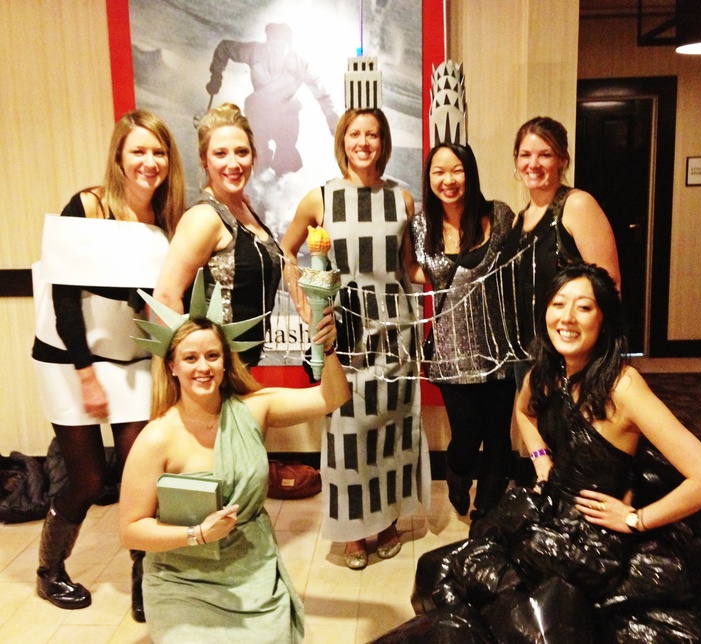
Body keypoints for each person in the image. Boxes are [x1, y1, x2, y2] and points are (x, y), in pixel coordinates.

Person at [398, 263, 701, 642]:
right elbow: (523, 412)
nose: (568, 317)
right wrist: (542, 463)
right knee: (436, 571)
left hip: (591, 546)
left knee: (520, 619)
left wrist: (636, 519)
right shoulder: (548, 371)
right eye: (558, 304)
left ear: (604, 320)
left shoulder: (623, 386)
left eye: (584, 307)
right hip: (547, 514)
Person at [118, 276, 350, 643]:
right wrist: (196, 535)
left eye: (212, 356)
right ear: (171, 367)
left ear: (226, 362)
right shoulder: (156, 438)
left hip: (249, 569)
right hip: (180, 580)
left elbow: (331, 398)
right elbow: (131, 528)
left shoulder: (254, 409)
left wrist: (330, 347)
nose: (203, 367)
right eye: (190, 358)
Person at [30, 110, 186, 619]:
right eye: (138, 150)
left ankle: (146, 581)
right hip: (68, 357)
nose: (149, 162)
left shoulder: (163, 219)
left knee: (142, 472)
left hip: (131, 357)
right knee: (89, 480)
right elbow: (64, 297)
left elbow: (150, 297)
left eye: (158, 152)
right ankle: (50, 571)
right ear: (119, 155)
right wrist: (85, 374)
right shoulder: (89, 205)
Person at [281, 107, 430, 570]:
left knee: (393, 424)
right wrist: (302, 300)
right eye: (355, 134)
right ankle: (352, 528)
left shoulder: (402, 200)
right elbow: (287, 250)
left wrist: (466, 272)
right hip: (345, 326)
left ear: (382, 142)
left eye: (372, 135)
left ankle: (385, 521)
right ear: (343, 140)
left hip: (395, 328)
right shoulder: (320, 198)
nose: (363, 142)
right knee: (347, 427)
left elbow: (408, 270)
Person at [407, 142, 517, 521]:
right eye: (439, 172)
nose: (448, 180)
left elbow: (517, 268)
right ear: (429, 179)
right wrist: (443, 284)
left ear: (470, 173)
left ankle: (485, 513)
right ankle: (457, 474)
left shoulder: (498, 215)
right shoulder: (421, 226)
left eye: (457, 170)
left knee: (499, 439)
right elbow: (409, 271)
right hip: (451, 352)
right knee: (467, 437)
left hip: (498, 348)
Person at [153, 103, 282, 367]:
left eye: (242, 152)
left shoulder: (243, 207)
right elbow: (166, 296)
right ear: (205, 160)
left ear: (253, 156)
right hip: (214, 376)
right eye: (220, 153)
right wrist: (185, 371)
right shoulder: (203, 218)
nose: (233, 163)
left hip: (243, 370)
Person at [500, 116, 621, 388]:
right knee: (534, 427)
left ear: (562, 160)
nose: (533, 164)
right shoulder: (520, 218)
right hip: (526, 352)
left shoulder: (576, 204)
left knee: (569, 429)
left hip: (568, 351)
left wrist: (588, 356)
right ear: (516, 160)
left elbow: (609, 285)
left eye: (545, 154)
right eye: (526, 154)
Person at [205, 23, 339, 177]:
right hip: (258, 111)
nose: (275, 51)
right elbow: (225, 48)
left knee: (286, 155)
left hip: (287, 114)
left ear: (288, 47)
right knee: (257, 152)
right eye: (271, 45)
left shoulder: (299, 64)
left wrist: (331, 117)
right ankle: (257, 185)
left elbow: (322, 93)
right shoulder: (255, 53)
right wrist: (216, 75)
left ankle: (282, 189)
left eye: (281, 46)